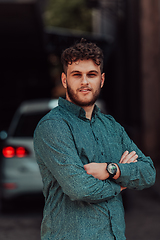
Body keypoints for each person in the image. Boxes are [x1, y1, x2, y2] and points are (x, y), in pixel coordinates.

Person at [33, 39, 156, 240]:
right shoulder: (53, 126)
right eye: (76, 75)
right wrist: (121, 184)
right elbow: (80, 189)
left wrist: (112, 170)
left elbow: (148, 173)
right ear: (64, 80)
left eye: (91, 75)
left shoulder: (111, 126)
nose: (84, 82)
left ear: (102, 79)